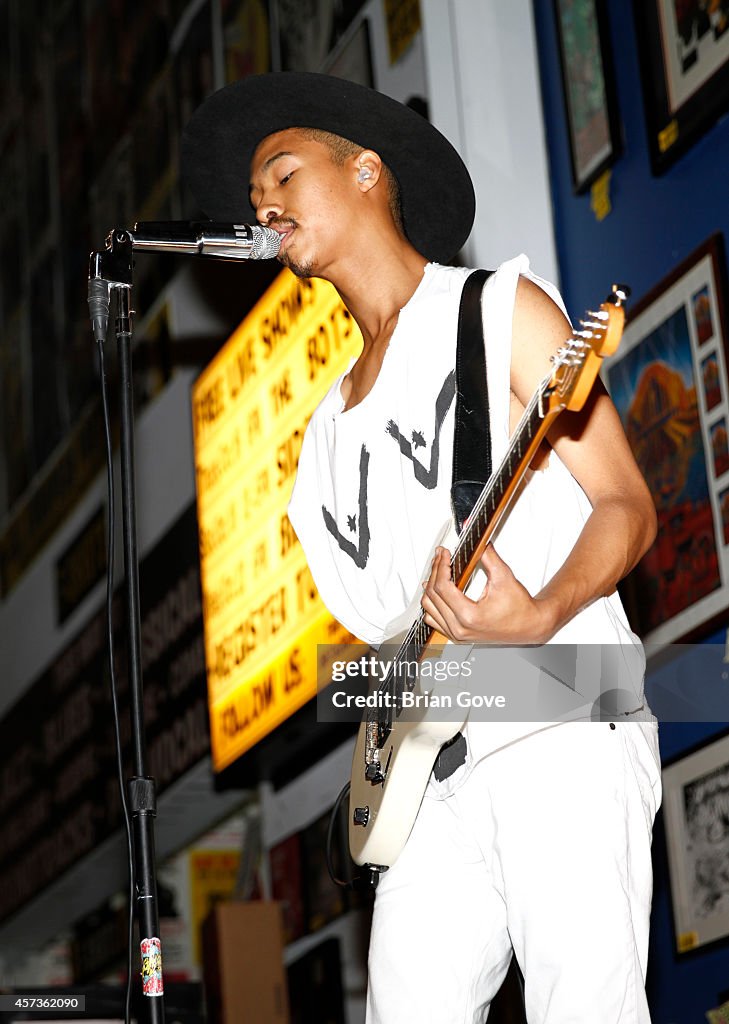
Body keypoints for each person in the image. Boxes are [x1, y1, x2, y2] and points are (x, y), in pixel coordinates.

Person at [182, 73, 662, 1023]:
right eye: (252, 199)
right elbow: (387, 637)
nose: (263, 204)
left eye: (281, 171)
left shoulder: (497, 310)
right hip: (425, 785)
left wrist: (541, 609)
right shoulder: (319, 439)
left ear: (366, 170)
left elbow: (626, 504)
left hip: (558, 724)